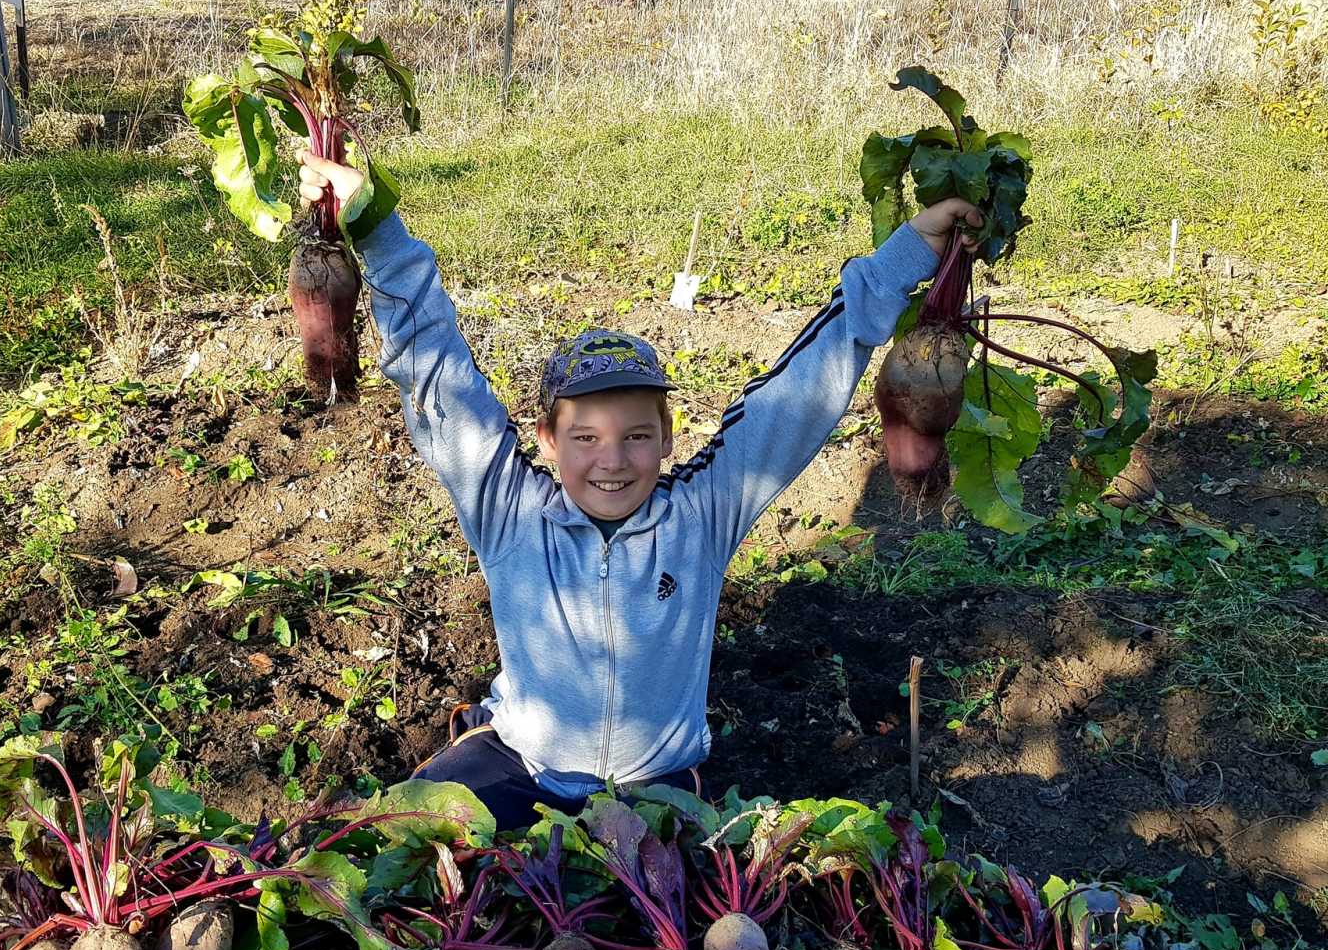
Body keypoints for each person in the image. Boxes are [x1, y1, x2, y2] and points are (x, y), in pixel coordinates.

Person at [297, 151, 982, 831]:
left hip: (655, 788)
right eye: (585, 437)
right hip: (521, 769)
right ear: (546, 439)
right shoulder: (508, 510)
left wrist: (909, 254)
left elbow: (792, 402)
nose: (612, 461)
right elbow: (438, 373)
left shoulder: (701, 516)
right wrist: (375, 225)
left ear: (668, 436)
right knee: (388, 847)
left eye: (636, 435)